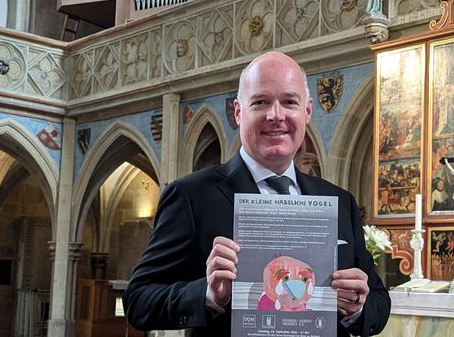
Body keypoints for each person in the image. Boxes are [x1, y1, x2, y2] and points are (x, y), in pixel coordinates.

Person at [124, 51, 390, 336]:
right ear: (239, 112)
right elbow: (139, 301)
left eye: (289, 102)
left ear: (307, 111)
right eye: (261, 102)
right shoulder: (191, 196)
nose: (276, 115)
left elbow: (378, 301)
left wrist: (358, 307)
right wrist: (209, 295)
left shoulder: (339, 202)